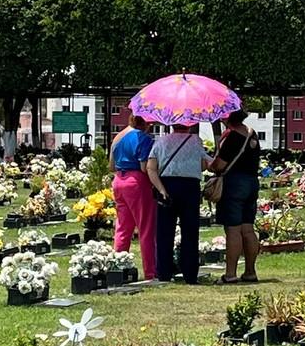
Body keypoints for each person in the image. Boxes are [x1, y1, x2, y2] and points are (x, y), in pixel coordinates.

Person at [147, 123, 210, 284]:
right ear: (189, 125)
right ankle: (190, 273)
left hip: (167, 185)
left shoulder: (160, 141)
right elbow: (204, 165)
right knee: (190, 232)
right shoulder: (196, 141)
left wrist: (161, 189)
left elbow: (151, 168)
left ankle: (164, 272)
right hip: (190, 187)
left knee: (164, 232)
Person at [209, 110, 261, 284]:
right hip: (251, 182)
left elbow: (220, 164)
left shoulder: (231, 137)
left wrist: (211, 165)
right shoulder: (251, 133)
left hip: (233, 184)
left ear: (227, 118)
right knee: (248, 228)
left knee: (233, 229)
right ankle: (250, 271)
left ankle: (230, 274)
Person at [109, 115, 156, 280]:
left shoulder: (120, 138)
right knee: (146, 228)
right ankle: (151, 271)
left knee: (123, 228)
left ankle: (118, 267)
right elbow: (145, 167)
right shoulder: (144, 139)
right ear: (145, 123)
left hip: (119, 181)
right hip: (136, 182)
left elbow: (111, 166)